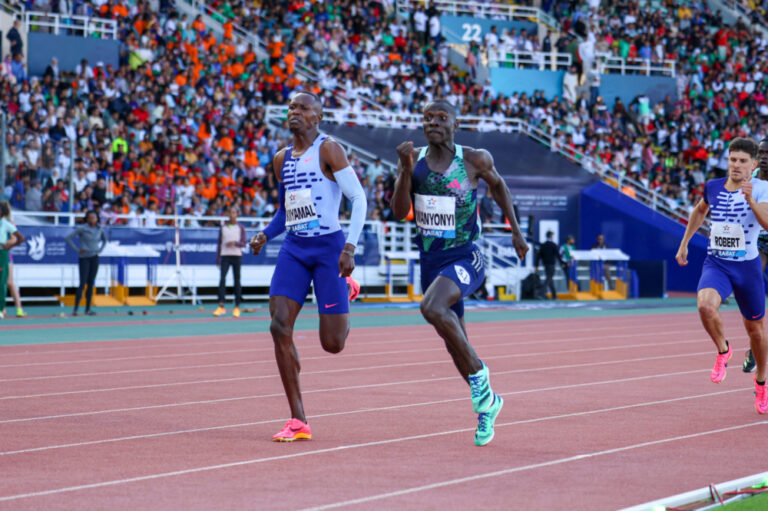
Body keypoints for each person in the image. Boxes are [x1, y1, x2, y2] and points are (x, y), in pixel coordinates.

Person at [391, 99, 529, 446]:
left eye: (441, 118)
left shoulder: (473, 159)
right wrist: (405, 170)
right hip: (431, 262)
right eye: (428, 118)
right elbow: (398, 211)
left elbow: (499, 188)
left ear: (455, 124)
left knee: (431, 308)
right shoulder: (415, 161)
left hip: (466, 257)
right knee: (456, 345)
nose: (433, 123)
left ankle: (481, 377)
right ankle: (488, 406)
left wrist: (516, 230)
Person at [249, 92, 366, 442]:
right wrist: (265, 235)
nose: (295, 112)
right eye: (291, 108)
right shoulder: (280, 159)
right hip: (295, 250)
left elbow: (358, 198)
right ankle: (298, 419)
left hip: (329, 249)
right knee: (278, 325)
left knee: (333, 344)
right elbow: (288, 210)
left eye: (303, 108)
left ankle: (345, 288)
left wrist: (350, 247)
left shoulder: (329, 150)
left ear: (318, 116)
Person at [675, 137, 768, 414]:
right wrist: (684, 243)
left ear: (752, 165)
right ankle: (723, 349)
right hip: (716, 263)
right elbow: (700, 210)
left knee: (756, 331)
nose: (736, 165)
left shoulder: (762, 188)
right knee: (704, 304)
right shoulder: (713, 186)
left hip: (747, 267)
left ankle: (761, 382)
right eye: (732, 160)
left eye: (742, 161)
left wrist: (750, 199)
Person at [744, 138, 768, 373]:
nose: (764, 157)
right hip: (759, 237)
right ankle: (755, 346)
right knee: (752, 283)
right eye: (761, 152)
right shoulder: (752, 176)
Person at [66, 210, 107, 316]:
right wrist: (77, 249)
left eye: (94, 217)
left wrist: (100, 249)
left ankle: (88, 309)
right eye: (90, 217)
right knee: (82, 283)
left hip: (94, 257)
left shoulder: (99, 229)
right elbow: (68, 238)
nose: (92, 219)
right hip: (84, 257)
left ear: (97, 218)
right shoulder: (82, 228)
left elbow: (105, 240)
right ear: (87, 218)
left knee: (91, 282)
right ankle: (75, 309)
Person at [213, 206, 246, 318]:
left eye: (234, 212)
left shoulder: (240, 227)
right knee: (222, 280)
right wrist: (218, 258)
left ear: (237, 215)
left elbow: (244, 243)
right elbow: (219, 243)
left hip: (236, 256)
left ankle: (237, 306)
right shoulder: (223, 227)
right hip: (225, 256)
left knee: (237, 280)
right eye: (230, 212)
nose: (232, 214)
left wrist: (234, 243)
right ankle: (221, 306)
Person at [1, 201, 25, 317]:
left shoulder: (9, 223)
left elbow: (14, 239)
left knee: (9, 282)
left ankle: (19, 308)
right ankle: (3, 309)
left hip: (6, 255)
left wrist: (3, 243)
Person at [536, 231, 562, 300]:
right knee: (549, 278)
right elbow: (558, 255)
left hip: (545, 264)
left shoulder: (543, 245)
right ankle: (540, 293)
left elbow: (538, 256)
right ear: (551, 236)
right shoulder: (553, 245)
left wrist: (536, 265)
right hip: (551, 264)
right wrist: (562, 263)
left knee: (550, 279)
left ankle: (554, 295)